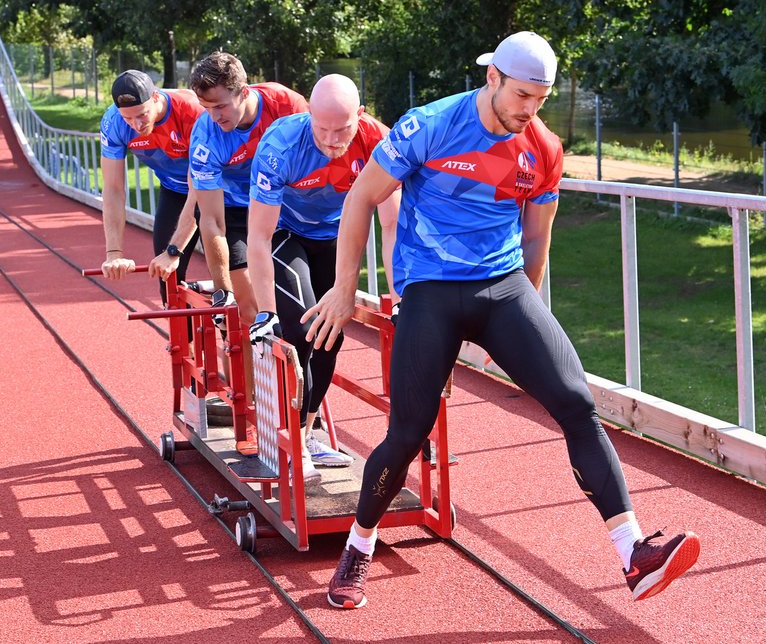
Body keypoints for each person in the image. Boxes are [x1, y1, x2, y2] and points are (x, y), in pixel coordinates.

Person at [304, 32, 701, 609]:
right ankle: (358, 548)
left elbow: (537, 235)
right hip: (431, 288)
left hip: (502, 286)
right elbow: (361, 198)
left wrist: (526, 313)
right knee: (408, 433)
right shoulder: (430, 125)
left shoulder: (543, 147)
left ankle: (633, 554)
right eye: (521, 96)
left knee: (576, 402)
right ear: (492, 79)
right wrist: (343, 290)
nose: (529, 110)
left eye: (540, 99)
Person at [246, 74, 401, 486]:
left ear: (361, 116)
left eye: (343, 129)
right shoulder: (281, 146)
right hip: (286, 234)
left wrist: (399, 295)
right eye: (322, 129)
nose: (332, 140)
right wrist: (265, 312)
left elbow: (392, 226)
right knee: (304, 329)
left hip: (337, 237)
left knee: (331, 335)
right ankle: (291, 442)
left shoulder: (380, 143)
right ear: (307, 114)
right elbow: (258, 237)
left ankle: (307, 432)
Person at [186, 51, 310, 454]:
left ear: (244, 91)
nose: (214, 115)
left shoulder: (285, 104)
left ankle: (302, 414)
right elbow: (212, 222)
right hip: (238, 214)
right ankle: (258, 411)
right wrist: (222, 285)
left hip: (287, 207)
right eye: (205, 107)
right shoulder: (206, 136)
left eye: (220, 105)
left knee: (301, 313)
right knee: (251, 309)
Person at [99, 70, 204, 301]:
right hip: (175, 190)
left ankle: (237, 331)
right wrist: (114, 252)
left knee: (229, 273)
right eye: (128, 118)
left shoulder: (191, 111)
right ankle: (182, 338)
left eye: (142, 114)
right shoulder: (113, 122)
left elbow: (200, 187)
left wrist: (175, 249)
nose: (136, 124)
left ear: (156, 97)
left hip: (216, 190)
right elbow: (113, 189)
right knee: (166, 275)